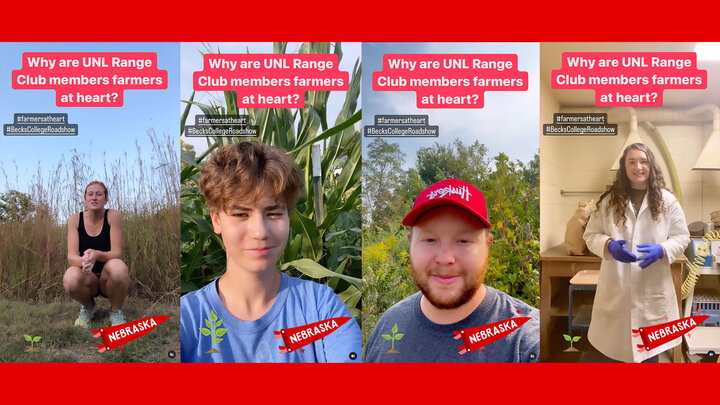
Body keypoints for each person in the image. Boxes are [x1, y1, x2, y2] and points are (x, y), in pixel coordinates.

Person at [180, 141, 361, 363]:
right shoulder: (186, 318)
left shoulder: (322, 308)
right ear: (216, 220)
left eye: (273, 213)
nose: (260, 232)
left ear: (288, 216)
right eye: (240, 214)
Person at [364, 179, 540, 362]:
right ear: (411, 245)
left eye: (463, 240)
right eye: (430, 240)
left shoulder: (526, 342)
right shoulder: (388, 325)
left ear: (487, 247)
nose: (445, 258)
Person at [583, 143, 690, 363]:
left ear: (651, 165)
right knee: (613, 351)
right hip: (617, 289)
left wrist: (662, 249)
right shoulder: (608, 201)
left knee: (649, 353)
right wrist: (609, 245)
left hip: (652, 288)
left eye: (643, 161)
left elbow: (682, 236)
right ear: (624, 167)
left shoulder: (667, 201)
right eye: (631, 162)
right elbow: (590, 235)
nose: (638, 166)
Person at [63, 181, 129, 327]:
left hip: (108, 277)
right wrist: (85, 262)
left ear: (105, 199)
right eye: (90, 194)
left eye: (99, 194)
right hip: (87, 276)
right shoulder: (75, 219)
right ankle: (88, 307)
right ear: (85, 198)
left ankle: (116, 311)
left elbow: (116, 253)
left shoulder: (113, 216)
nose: (94, 197)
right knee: (70, 277)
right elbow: (71, 257)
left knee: (119, 267)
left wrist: (97, 255)